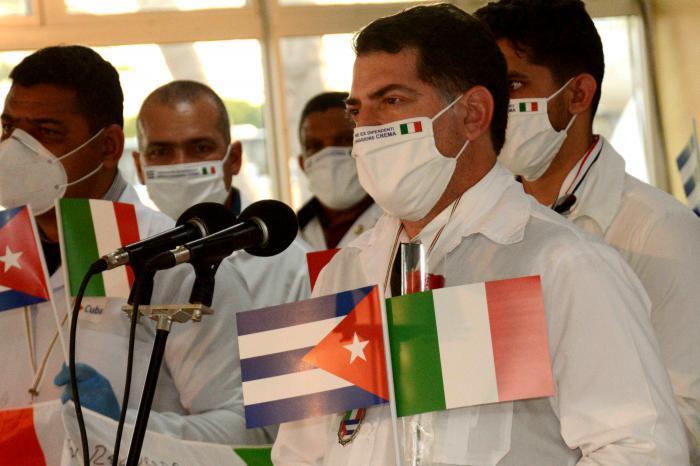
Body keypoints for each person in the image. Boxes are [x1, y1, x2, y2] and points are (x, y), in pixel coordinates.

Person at [272, 4, 689, 464]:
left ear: (472, 113)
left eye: (391, 101)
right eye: (358, 110)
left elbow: (642, 451)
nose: (366, 129)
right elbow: (298, 452)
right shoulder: (341, 272)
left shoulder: (562, 265)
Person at [0, 45, 268, 445]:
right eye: (9, 130)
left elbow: (253, 432)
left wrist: (124, 428)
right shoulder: (8, 248)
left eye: (46, 132)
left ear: (108, 147)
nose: (15, 150)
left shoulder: (180, 262)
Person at [475, 1, 700, 460]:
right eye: (487, 90)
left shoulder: (657, 230)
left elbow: (687, 418)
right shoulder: (482, 225)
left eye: (514, 84)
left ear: (578, 95)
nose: (496, 109)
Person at [133, 80, 309, 309]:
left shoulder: (292, 266)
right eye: (161, 152)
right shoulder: (128, 254)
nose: (181, 164)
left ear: (234, 158)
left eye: (200, 148)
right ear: (139, 167)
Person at [296, 92, 382, 250]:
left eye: (343, 140)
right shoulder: (295, 231)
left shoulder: (402, 222)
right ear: (303, 164)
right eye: (315, 146)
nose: (330, 154)